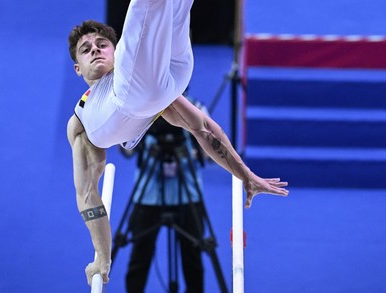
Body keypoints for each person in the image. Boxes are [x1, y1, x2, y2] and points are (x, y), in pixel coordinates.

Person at [66, 0, 288, 287]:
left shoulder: (134, 71)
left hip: (155, 82)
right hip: (153, 83)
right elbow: (87, 194)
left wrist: (244, 173)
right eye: (86, 49)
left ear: (115, 50)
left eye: (102, 44)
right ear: (77, 69)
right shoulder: (81, 122)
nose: (95, 49)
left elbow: (204, 129)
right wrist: (102, 256)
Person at [122, 105, 208, 293]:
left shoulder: (196, 109)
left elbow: (211, 152)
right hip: (149, 194)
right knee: (140, 255)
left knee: (193, 256)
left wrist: (198, 150)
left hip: (187, 194)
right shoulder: (141, 109)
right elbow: (126, 149)